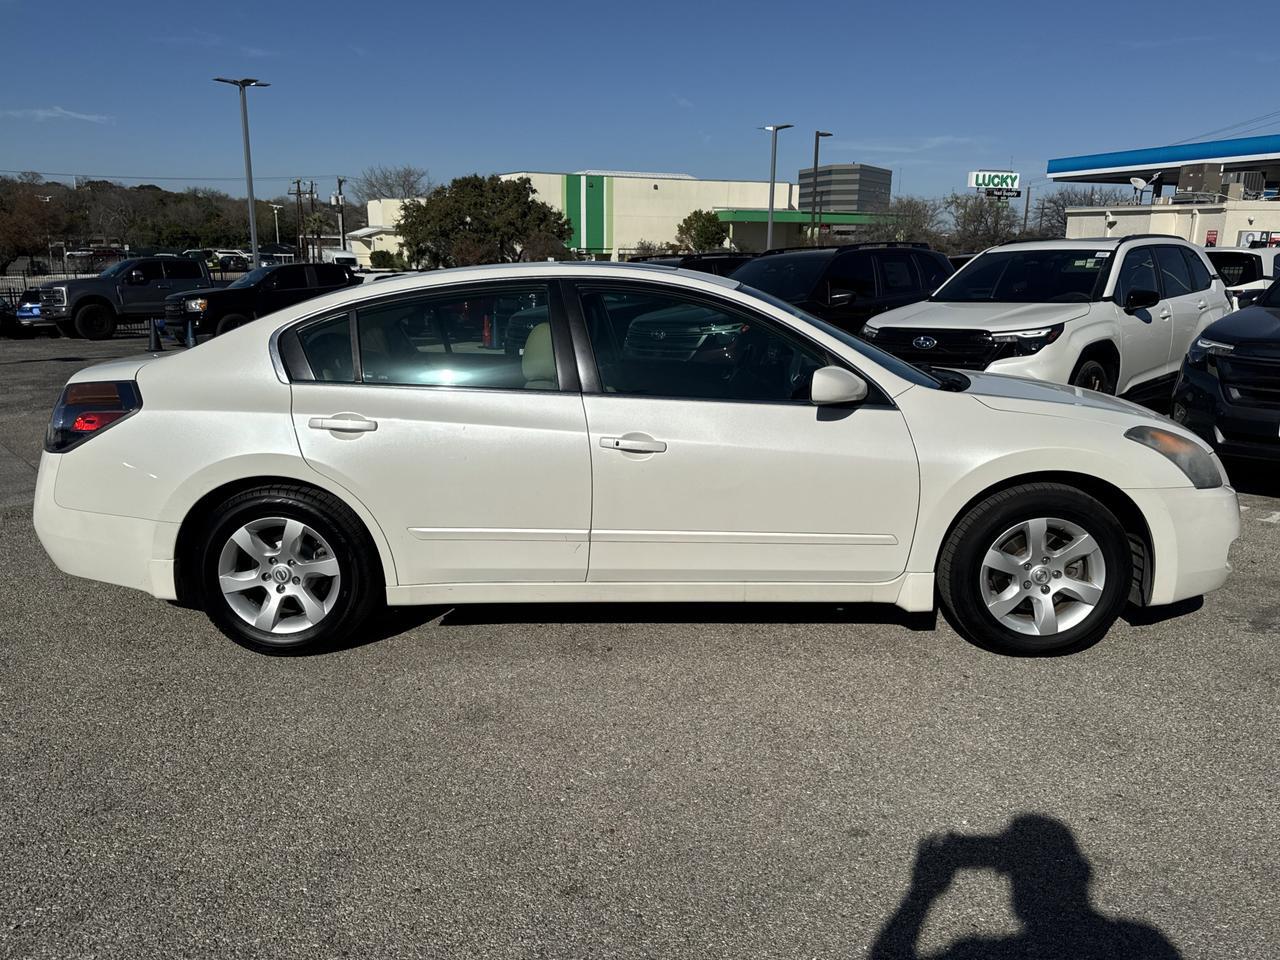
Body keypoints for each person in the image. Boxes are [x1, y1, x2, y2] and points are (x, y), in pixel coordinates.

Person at [869, 815, 1180, 959]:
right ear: (1083, 873)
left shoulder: (983, 953)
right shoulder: (1143, 944)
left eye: (1012, 870)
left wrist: (921, 892)